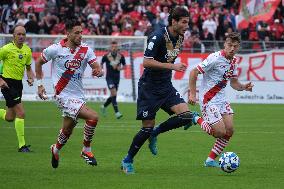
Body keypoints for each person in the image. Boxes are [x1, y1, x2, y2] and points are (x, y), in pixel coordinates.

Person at [121, 7, 197, 174]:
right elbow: (146, 62)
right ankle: (127, 160)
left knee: (186, 116)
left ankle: (156, 133)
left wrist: (171, 68)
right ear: (174, 21)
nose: (186, 26)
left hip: (166, 86)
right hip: (149, 88)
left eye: (187, 22)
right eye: (183, 22)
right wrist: (172, 66)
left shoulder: (181, 37)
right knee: (146, 128)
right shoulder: (157, 36)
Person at [35, 19, 104, 169]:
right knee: (93, 117)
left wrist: (98, 71)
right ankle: (86, 150)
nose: (80, 36)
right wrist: (39, 85)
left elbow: (97, 67)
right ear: (68, 33)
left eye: (82, 32)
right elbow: (38, 62)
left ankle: (56, 148)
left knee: (67, 129)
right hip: (62, 96)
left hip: (78, 96)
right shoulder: (55, 49)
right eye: (77, 33)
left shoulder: (86, 50)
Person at [187, 32, 254, 167]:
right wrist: (193, 95)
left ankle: (210, 160)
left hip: (222, 100)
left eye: (235, 46)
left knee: (229, 131)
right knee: (219, 132)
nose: (231, 49)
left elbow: (234, 83)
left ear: (238, 47)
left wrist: (243, 87)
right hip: (209, 100)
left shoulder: (234, 61)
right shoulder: (215, 58)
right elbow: (194, 72)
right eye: (229, 45)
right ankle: (196, 118)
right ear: (225, 44)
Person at [0, 25, 34, 152]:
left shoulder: (27, 50)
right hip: (7, 83)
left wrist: (30, 78)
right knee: (21, 112)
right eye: (18, 34)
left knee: (9, 117)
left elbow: (29, 68)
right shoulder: (6, 49)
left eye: (23, 34)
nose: (21, 36)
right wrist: (0, 80)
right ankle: (22, 146)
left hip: (18, 84)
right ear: (13, 36)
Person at [100, 41, 126, 119]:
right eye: (112, 46)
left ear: (117, 47)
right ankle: (117, 112)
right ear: (110, 47)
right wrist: (101, 70)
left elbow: (125, 66)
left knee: (113, 95)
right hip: (109, 78)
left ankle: (103, 106)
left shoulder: (121, 56)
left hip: (117, 78)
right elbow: (101, 63)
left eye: (115, 46)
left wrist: (120, 68)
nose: (114, 48)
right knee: (114, 93)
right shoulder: (106, 56)